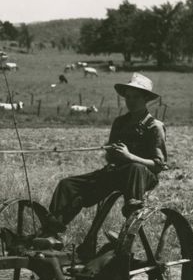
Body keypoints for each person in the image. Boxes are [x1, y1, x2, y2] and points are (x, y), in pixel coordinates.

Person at [37, 73, 167, 246]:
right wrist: (111, 152)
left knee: (134, 167)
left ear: (146, 99)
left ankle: (128, 227)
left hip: (141, 177)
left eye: (136, 97)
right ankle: (51, 233)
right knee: (67, 185)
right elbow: (110, 156)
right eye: (127, 97)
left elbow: (158, 166)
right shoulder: (120, 122)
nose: (130, 101)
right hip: (116, 173)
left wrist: (129, 156)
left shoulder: (155, 126)